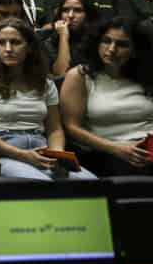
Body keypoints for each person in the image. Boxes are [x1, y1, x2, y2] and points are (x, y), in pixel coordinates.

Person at [0, 19, 95, 181]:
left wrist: (57, 154)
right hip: (4, 152)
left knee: (90, 183)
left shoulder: (45, 83)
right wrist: (22, 155)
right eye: (1, 43)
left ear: (29, 47)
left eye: (15, 42)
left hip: (41, 149)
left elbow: (55, 128)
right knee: (41, 185)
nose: (8, 49)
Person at [60, 16, 153, 176]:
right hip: (106, 151)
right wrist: (115, 148)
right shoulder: (81, 75)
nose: (111, 49)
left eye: (122, 44)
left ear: (135, 50)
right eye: (106, 41)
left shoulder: (147, 75)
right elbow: (72, 128)